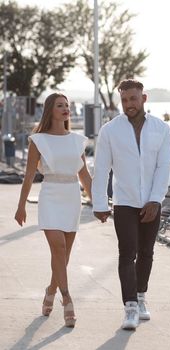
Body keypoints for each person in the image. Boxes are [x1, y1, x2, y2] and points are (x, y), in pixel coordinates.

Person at [92, 79, 170, 330]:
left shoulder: (161, 129)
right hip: (124, 201)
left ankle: (140, 296)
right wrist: (99, 203)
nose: (129, 104)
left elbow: (163, 167)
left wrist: (155, 199)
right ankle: (129, 307)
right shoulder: (109, 131)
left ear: (143, 99)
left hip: (152, 200)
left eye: (133, 99)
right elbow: (102, 168)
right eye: (125, 100)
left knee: (147, 252)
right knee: (128, 252)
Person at [14, 92, 92, 328]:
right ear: (51, 110)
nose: (66, 109)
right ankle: (66, 299)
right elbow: (29, 175)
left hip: (71, 197)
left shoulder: (77, 140)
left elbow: (84, 175)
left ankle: (50, 289)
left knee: (64, 255)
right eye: (60, 105)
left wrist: (98, 203)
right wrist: (21, 206)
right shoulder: (38, 140)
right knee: (57, 247)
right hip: (49, 195)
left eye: (67, 105)